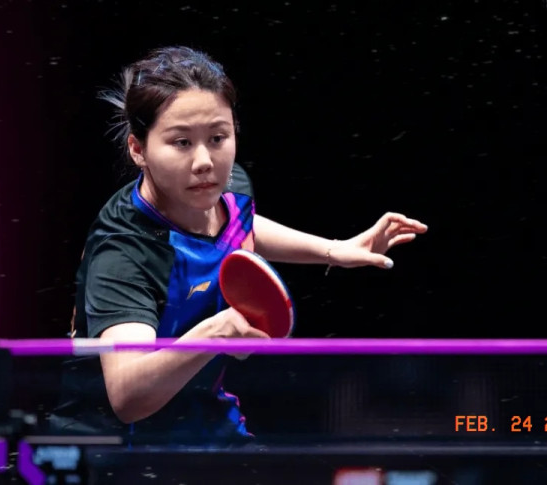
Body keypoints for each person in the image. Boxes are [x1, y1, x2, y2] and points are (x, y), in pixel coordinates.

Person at [51, 45, 427, 446]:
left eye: (218, 138)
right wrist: (214, 333)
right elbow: (128, 396)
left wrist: (334, 249)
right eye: (181, 142)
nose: (204, 161)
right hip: (115, 449)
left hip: (205, 424)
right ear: (138, 149)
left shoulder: (227, 187)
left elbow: (235, 225)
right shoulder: (124, 251)